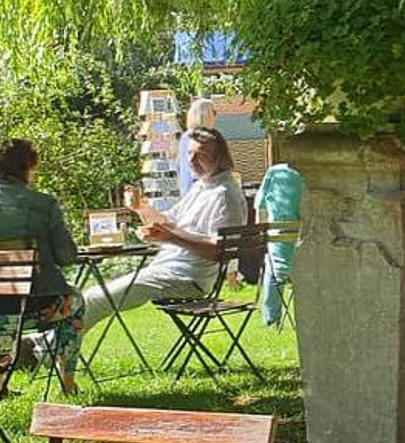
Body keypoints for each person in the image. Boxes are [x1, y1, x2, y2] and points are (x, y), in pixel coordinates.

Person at [0, 139, 83, 396]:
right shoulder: (42, 204)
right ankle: (67, 385)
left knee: (2, 308)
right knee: (75, 301)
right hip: (32, 307)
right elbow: (67, 257)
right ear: (28, 168)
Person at [86, 126, 247, 325]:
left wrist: (170, 238)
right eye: (189, 153)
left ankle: (48, 349)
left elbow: (219, 250)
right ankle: (49, 347)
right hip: (167, 271)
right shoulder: (202, 186)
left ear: (220, 158)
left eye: (200, 155)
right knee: (90, 298)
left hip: (187, 280)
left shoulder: (225, 194)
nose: (191, 160)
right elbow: (168, 222)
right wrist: (140, 208)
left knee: (93, 299)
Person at [254, 161, 302, 326]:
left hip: (280, 254)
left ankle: (271, 318)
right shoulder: (313, 172)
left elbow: (260, 207)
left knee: (272, 266)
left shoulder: (275, 172)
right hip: (309, 252)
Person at [176, 97, 219, 200]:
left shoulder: (185, 138)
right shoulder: (207, 138)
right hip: (203, 193)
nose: (216, 115)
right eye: (213, 112)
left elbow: (179, 166)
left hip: (187, 192)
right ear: (206, 115)